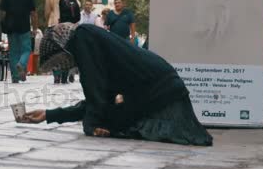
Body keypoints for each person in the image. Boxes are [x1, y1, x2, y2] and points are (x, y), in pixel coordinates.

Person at [22, 23, 213, 146]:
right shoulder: (87, 37)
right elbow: (99, 100)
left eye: (59, 61)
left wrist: (92, 126)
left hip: (162, 92)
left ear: (63, 49)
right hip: (164, 88)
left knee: (110, 120)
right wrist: (49, 114)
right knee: (107, 115)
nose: (63, 67)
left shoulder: (83, 38)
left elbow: (95, 95)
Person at [0, 0, 38, 83]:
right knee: (26, 49)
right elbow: (33, 13)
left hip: (10, 26)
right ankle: (21, 64)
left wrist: (3, 24)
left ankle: (15, 77)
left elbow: (2, 12)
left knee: (13, 52)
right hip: (24, 26)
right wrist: (35, 28)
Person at [45, 0, 79, 84]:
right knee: (66, 49)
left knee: (54, 50)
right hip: (67, 24)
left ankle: (56, 75)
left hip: (54, 23)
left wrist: (48, 20)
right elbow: (77, 5)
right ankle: (65, 76)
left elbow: (47, 11)